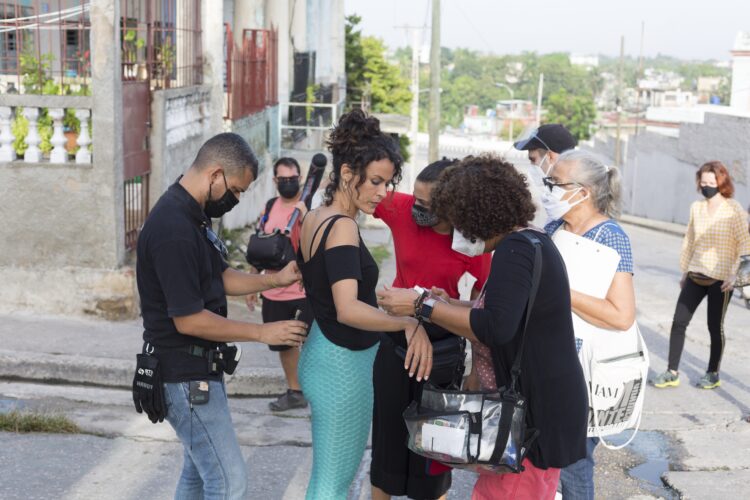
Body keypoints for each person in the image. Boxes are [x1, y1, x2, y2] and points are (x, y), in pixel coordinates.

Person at [378, 155, 588, 500]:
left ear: (475, 214)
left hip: (535, 416)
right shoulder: (526, 241)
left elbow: (494, 326)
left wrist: (421, 306)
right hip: (531, 410)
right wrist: (445, 304)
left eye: (458, 220)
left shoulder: (516, 250)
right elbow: (502, 312)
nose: (457, 231)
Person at [135, 133, 308, 499]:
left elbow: (218, 277)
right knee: (229, 482)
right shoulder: (173, 230)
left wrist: (274, 279)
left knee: (198, 476)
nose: (237, 199)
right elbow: (189, 320)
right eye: (237, 191)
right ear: (215, 175)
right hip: (183, 376)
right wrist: (263, 333)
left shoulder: (194, 215)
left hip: (198, 371)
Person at [296, 109, 433, 499]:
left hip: (325, 353)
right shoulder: (341, 225)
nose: (382, 193)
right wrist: (406, 324)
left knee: (328, 479)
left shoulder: (317, 217)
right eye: (375, 181)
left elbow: (328, 290)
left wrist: (384, 303)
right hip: (341, 365)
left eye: (387, 183)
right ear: (346, 174)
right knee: (332, 485)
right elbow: (347, 308)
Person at [371, 158, 492, 500]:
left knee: (435, 447)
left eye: (426, 204)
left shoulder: (472, 240)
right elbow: (354, 194)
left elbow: (481, 297)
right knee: (388, 445)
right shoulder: (401, 208)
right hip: (397, 332)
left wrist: (473, 364)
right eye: (415, 199)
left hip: (443, 341)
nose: (416, 209)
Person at [542, 150, 635, 500]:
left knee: (574, 461)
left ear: (582, 191)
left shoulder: (610, 237)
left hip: (583, 370)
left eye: (555, 183)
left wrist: (560, 292)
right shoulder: (553, 228)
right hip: (546, 360)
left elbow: (621, 315)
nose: (547, 189)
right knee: (542, 458)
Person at [654, 161, 750, 390]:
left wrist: (735, 276)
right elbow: (690, 241)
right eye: (703, 182)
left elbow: (744, 244)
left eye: (711, 182)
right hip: (696, 274)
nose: (706, 186)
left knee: (714, 327)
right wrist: (685, 271)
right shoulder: (696, 208)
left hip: (721, 280)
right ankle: (672, 371)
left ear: (722, 182)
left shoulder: (733, 209)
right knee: (678, 322)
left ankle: (712, 373)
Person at [248, 157, 314, 411]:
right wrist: (255, 283)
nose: (288, 183)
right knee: (283, 345)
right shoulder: (269, 206)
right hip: (273, 291)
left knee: (310, 343)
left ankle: (317, 393)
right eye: (283, 179)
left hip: (302, 290)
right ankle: (295, 391)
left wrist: (306, 217)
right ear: (275, 181)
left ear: (300, 178)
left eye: (293, 178)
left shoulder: (308, 207)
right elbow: (260, 246)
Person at [514, 123, 578, 226]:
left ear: (550, 156)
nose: (531, 166)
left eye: (533, 159)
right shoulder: (553, 196)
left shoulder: (573, 198)